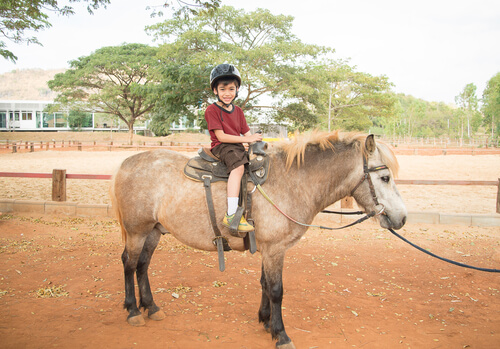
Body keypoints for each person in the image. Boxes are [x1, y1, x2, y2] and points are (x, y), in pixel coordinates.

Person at [204, 63, 263, 232]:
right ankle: (230, 214)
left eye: (231, 89)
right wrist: (246, 139)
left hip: (236, 147)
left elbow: (246, 133)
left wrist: (254, 140)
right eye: (223, 89)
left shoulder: (238, 111)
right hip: (222, 147)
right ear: (215, 91)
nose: (227, 93)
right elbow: (221, 136)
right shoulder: (211, 110)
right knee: (238, 168)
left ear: (237, 90)